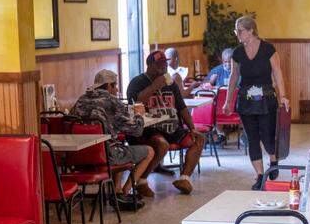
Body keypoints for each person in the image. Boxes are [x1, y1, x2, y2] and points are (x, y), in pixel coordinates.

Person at [221, 15, 290, 189]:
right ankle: (260, 176)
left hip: (266, 99)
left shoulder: (268, 49)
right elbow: (233, 77)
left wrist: (283, 96)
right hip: (246, 101)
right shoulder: (237, 53)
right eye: (236, 31)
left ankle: (273, 160)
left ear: (251, 30)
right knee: (252, 138)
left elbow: (277, 73)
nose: (237, 34)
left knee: (267, 136)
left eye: (240, 31)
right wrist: (228, 101)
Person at [69, 69, 154, 209]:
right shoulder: (112, 102)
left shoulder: (81, 100)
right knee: (149, 151)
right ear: (109, 86)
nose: (117, 89)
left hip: (79, 156)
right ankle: (125, 193)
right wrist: (139, 115)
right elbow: (137, 131)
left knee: (118, 144)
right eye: (115, 85)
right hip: (106, 155)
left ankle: (117, 190)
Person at [126, 51, 205, 195]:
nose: (164, 68)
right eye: (159, 65)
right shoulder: (137, 82)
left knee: (198, 139)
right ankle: (142, 181)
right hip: (149, 128)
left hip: (172, 127)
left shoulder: (171, 83)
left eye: (165, 64)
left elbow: (182, 108)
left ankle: (184, 178)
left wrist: (192, 128)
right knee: (162, 144)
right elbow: (136, 104)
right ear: (149, 65)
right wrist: (155, 86)